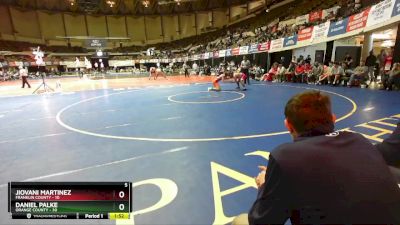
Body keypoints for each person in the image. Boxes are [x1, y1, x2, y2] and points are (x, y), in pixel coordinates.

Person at [233, 91, 400, 225]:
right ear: (333, 119)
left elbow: (262, 221)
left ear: (288, 125)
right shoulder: (358, 139)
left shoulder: (284, 156)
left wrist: (264, 184)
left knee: (239, 221)